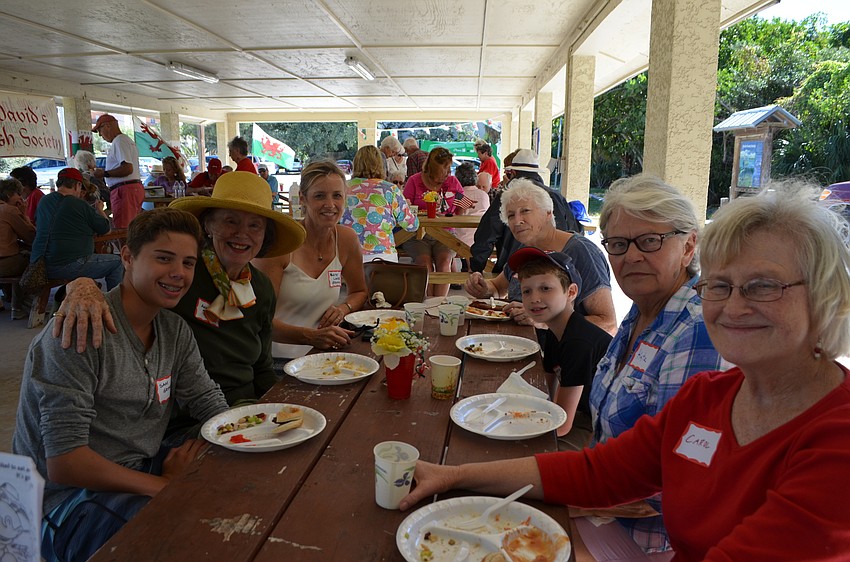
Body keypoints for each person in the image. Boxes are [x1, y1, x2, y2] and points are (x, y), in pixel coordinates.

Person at [400, 182, 850, 562]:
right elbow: (599, 471)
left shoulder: (836, 439)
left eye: (764, 286)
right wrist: (452, 476)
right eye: (719, 285)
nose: (733, 307)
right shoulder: (712, 396)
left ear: (826, 294)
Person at [13, 207, 230, 562]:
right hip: (64, 503)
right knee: (188, 529)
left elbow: (206, 400)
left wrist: (246, 438)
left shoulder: (174, 331)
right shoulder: (78, 329)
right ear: (127, 257)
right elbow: (65, 462)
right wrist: (165, 486)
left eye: (188, 263)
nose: (178, 274)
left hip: (140, 468)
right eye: (164, 258)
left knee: (230, 482)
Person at [53, 171, 306, 415]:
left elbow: (262, 366)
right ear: (208, 224)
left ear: (264, 236)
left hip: (242, 405)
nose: (242, 234)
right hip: (181, 411)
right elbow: (132, 291)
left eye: (255, 226)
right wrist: (81, 285)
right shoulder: (181, 278)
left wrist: (281, 407)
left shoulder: (259, 288)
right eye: (230, 221)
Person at [584, 174, 731, 556]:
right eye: (618, 244)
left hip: (646, 541)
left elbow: (670, 480)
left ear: (689, 245)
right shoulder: (643, 312)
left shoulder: (698, 329)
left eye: (650, 241)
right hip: (602, 510)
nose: (631, 256)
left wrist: (567, 499)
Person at [254, 160, 368, 367]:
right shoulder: (280, 246)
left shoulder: (346, 239)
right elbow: (258, 320)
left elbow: (359, 291)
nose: (330, 204)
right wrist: (310, 337)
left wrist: (344, 308)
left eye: (337, 195)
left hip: (325, 356)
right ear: (303, 199)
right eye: (319, 196)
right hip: (276, 361)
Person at [464, 179, 616, 334]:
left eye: (525, 211)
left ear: (548, 213)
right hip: (515, 346)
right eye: (510, 215)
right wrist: (482, 288)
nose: (517, 221)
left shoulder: (581, 251)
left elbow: (607, 323)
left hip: (563, 353)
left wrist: (545, 320)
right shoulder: (526, 250)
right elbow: (498, 287)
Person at [509, 248, 612, 450]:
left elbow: (562, 426)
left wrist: (514, 428)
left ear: (571, 292)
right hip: (577, 415)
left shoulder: (578, 342)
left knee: (523, 453)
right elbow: (546, 391)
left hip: (598, 427)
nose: (534, 298)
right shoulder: (555, 332)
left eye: (545, 288)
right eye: (526, 291)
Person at [469, 149, 582, 275]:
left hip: (515, 268)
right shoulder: (556, 196)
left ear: (513, 172)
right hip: (556, 268)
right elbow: (574, 231)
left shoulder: (508, 197)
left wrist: (477, 267)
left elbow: (487, 232)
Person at [31, 168, 122, 291]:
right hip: (68, 264)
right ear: (78, 185)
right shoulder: (79, 204)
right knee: (117, 263)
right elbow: (106, 229)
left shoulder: (44, 200)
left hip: (39, 264)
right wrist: (100, 209)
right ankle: (115, 305)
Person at [402, 146, 465, 297]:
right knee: (424, 264)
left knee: (444, 263)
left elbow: (460, 209)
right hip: (417, 234)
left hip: (445, 232)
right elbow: (404, 208)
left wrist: (462, 207)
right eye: (442, 172)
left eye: (448, 170)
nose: (446, 175)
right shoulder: (414, 181)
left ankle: (439, 303)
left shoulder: (453, 182)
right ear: (431, 169)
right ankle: (429, 303)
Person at [341, 145, 418, 263]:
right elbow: (411, 225)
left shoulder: (342, 188)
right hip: (383, 256)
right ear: (381, 165)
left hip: (347, 254)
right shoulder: (390, 189)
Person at [92, 114, 144, 228]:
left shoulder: (119, 141)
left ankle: (125, 246)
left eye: (100, 130)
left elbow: (127, 168)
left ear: (107, 126)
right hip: (130, 189)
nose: (100, 135)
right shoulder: (125, 140)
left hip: (124, 191)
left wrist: (104, 173)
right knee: (131, 227)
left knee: (123, 229)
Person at [0, 178, 36, 319]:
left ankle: (9, 297)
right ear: (10, 195)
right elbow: (31, 236)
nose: (21, 198)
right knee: (31, 259)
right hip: (4, 264)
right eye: (18, 194)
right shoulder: (9, 210)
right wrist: (25, 215)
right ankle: (18, 306)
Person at [452, 161, 490, 269]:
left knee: (445, 244)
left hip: (457, 240)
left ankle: (454, 277)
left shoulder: (456, 195)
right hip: (479, 239)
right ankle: (472, 270)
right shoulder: (483, 195)